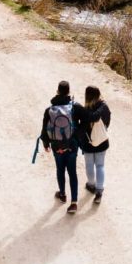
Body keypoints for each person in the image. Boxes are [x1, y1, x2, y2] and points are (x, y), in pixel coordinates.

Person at [41, 80, 87, 214]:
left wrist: (46, 143)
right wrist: (78, 135)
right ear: (68, 91)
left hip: (57, 146)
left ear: (57, 91)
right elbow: (86, 120)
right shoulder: (75, 106)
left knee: (60, 169)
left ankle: (62, 194)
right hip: (72, 145)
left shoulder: (49, 110)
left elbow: (44, 129)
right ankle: (73, 203)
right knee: (72, 172)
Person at [80, 85, 110, 204]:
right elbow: (107, 122)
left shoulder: (84, 109)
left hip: (88, 142)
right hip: (101, 141)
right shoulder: (104, 107)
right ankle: (99, 191)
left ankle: (91, 185)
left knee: (89, 165)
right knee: (100, 165)